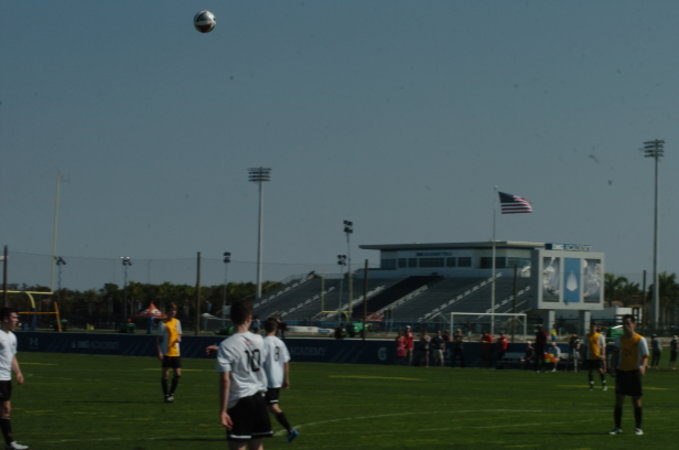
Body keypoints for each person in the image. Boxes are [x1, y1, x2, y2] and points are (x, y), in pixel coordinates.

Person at [216, 300, 273, 449]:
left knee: (237, 446)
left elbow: (225, 380)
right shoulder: (260, 340)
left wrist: (222, 411)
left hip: (240, 401)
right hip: (259, 399)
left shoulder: (226, 345)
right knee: (257, 446)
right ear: (249, 318)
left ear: (231, 318)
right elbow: (250, 354)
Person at [609, 314, 649, 436]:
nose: (626, 326)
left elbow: (645, 356)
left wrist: (643, 367)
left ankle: (638, 428)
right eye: (624, 324)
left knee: (636, 400)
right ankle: (617, 427)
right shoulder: (619, 339)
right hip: (622, 372)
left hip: (634, 372)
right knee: (619, 400)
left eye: (628, 323)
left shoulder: (640, 339)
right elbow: (615, 354)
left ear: (634, 325)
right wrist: (612, 367)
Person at [262, 318, 299, 443]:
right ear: (276, 329)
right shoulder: (280, 342)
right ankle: (264, 430)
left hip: (267, 379)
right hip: (277, 378)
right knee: (266, 407)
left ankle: (290, 430)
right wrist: (286, 379)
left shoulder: (263, 342)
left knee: (272, 407)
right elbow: (286, 361)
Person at [0, 308, 28, 450]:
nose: (17, 320)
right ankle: (10, 443)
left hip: (6, 378)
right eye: (14, 317)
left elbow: (12, 357)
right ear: (6, 319)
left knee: (6, 409)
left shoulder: (12, 337)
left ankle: (9, 443)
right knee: (5, 408)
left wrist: (18, 373)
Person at [155, 303, 182, 403]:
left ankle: (171, 394)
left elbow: (179, 334)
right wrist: (159, 351)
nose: (173, 312)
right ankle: (166, 394)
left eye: (174, 310)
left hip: (176, 352)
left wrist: (179, 338)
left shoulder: (177, 322)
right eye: (171, 310)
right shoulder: (162, 323)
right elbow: (158, 339)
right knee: (165, 374)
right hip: (166, 352)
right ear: (167, 312)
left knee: (178, 374)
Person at [585, 323, 607, 391]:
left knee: (600, 370)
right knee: (590, 371)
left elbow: (603, 346)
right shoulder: (587, 336)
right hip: (590, 356)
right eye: (591, 327)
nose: (592, 328)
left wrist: (603, 354)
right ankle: (591, 386)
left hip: (598, 356)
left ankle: (604, 385)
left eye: (593, 327)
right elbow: (585, 346)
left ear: (596, 328)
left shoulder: (600, 336)